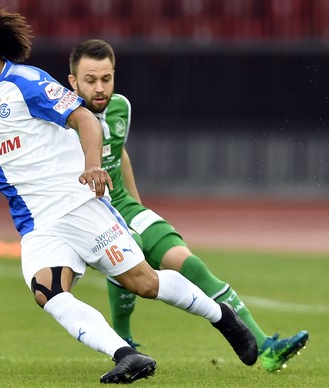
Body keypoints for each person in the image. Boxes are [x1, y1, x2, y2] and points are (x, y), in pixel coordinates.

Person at [0, 9, 257, 384]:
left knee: (143, 284)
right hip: (36, 223)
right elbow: (5, 150)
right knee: (47, 292)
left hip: (77, 204)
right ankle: (127, 355)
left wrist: (93, 165)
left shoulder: (25, 82)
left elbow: (86, 120)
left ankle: (221, 316)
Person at [67, 38, 309, 373]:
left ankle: (265, 346)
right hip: (93, 214)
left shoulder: (121, 107)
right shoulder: (60, 119)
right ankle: (123, 341)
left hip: (125, 206)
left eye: (106, 78)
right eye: (90, 80)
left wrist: (137, 209)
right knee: (129, 248)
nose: (100, 87)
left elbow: (119, 153)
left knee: (189, 264)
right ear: (73, 81)